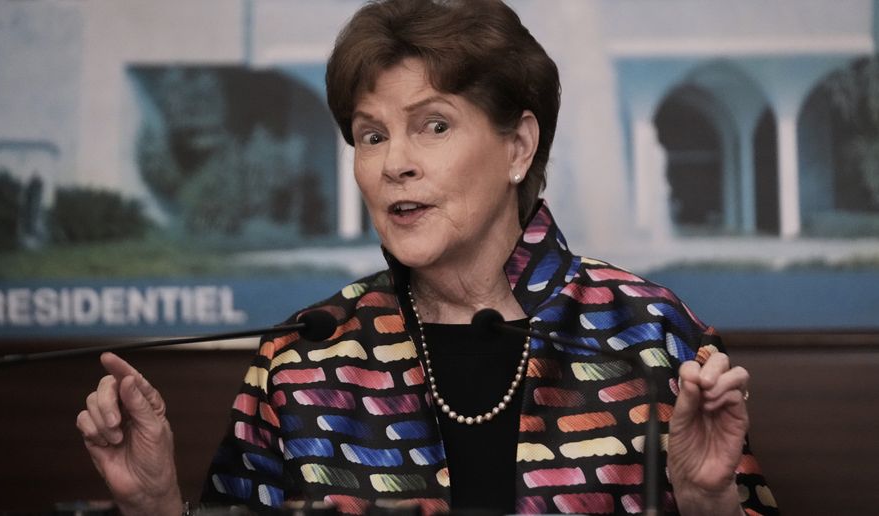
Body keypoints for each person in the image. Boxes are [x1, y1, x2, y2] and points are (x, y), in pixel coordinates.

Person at [76, 0, 778, 514]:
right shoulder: (304, 355)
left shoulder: (648, 334)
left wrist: (706, 503)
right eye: (370, 135)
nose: (394, 164)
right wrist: (155, 505)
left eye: (432, 125)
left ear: (517, 146)